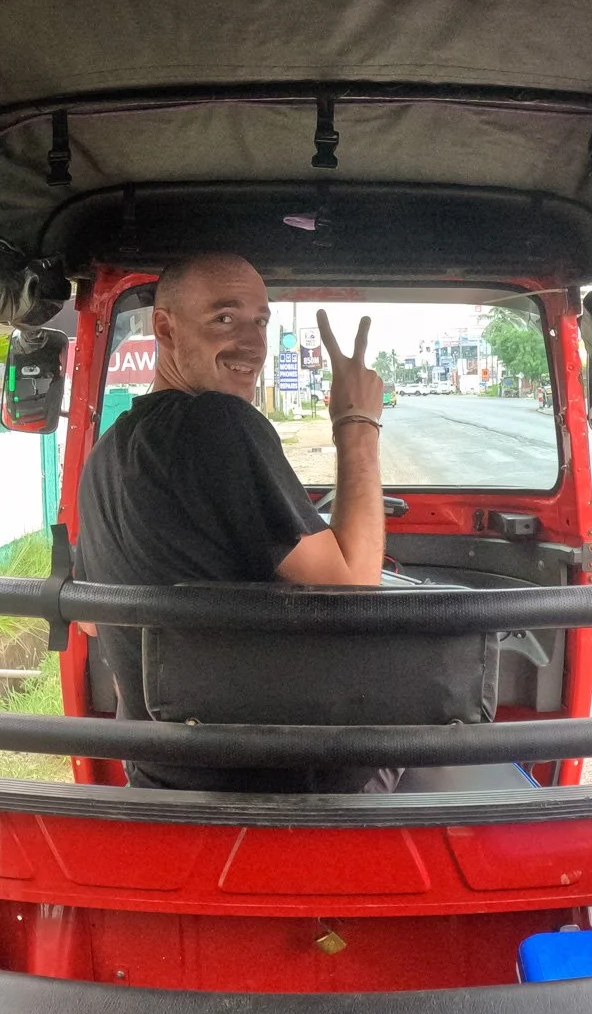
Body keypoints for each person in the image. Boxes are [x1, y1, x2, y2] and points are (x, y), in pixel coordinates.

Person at [72, 252, 394, 793]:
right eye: (224, 317)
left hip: (161, 773)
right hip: (284, 778)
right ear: (165, 326)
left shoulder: (107, 452)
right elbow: (355, 592)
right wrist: (356, 420)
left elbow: (88, 622)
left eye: (261, 321)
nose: (252, 343)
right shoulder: (219, 423)